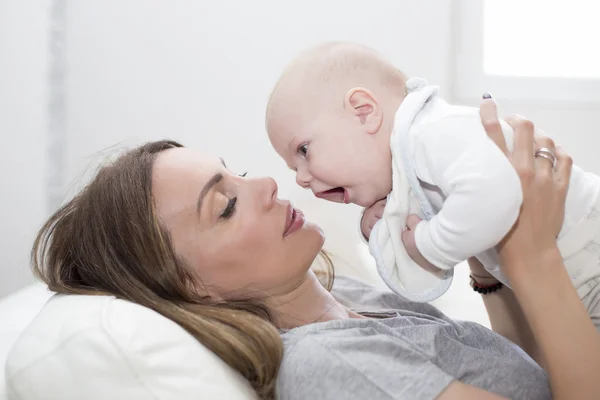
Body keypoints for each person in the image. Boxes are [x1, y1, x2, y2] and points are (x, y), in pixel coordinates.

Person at [32, 100, 600, 400]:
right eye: (226, 206)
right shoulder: (331, 368)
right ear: (188, 285)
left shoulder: (348, 296)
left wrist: (488, 259)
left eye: (239, 174)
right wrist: (535, 259)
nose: (269, 186)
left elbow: (532, 378)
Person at [265, 42, 600, 320]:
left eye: (304, 151)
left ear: (364, 111)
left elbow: (494, 194)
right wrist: (385, 227)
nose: (302, 179)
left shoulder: (431, 131)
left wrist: (429, 246)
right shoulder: (411, 162)